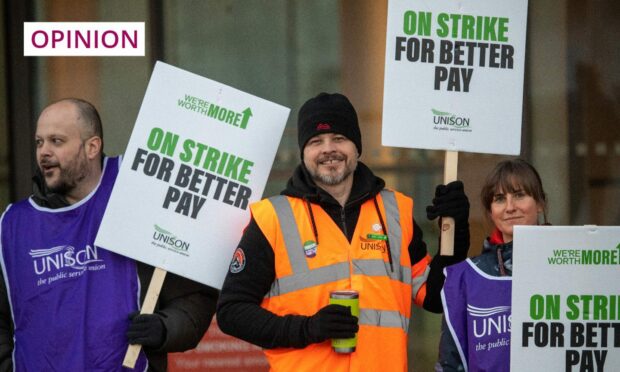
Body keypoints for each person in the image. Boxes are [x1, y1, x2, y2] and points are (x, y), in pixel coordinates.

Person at [216, 92, 470, 371]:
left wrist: (456, 234)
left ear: (357, 147)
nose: (328, 149)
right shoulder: (272, 219)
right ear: (303, 152)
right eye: (316, 141)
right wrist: (307, 328)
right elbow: (232, 312)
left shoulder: (395, 211)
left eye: (339, 138)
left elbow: (436, 297)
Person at [0, 98, 218, 371]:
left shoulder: (138, 200)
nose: (43, 152)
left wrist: (165, 328)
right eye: (39, 142)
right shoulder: (13, 226)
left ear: (92, 146)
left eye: (56, 141)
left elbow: (194, 297)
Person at [436, 159, 549, 372]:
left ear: (540, 203)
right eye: (499, 199)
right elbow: (449, 364)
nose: (509, 207)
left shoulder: (573, 269)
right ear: (490, 210)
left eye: (519, 195)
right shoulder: (466, 278)